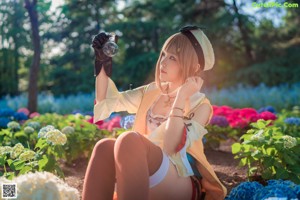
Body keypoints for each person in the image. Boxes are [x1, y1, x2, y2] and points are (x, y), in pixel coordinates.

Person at [82, 25, 227, 200]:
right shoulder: (152, 91)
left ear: (194, 67)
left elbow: (171, 146)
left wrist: (181, 96)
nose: (163, 62)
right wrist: (102, 63)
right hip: (143, 171)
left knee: (129, 139)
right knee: (104, 147)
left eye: (172, 57)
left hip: (180, 180)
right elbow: (110, 101)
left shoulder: (201, 105)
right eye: (164, 54)